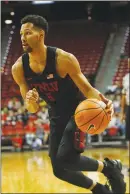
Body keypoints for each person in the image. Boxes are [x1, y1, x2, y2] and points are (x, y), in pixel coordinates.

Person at [12, 15, 126, 194]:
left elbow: (87, 89)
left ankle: (110, 168)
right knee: (59, 170)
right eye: (20, 34)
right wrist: (30, 102)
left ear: (41, 35)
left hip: (79, 110)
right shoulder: (19, 69)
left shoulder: (63, 59)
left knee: (65, 158)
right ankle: (100, 189)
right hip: (56, 113)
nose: (22, 38)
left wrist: (102, 102)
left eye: (27, 33)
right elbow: (32, 109)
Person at [121, 58, 130, 171]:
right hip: (129, 108)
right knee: (129, 137)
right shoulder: (126, 78)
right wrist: (123, 112)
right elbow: (123, 96)